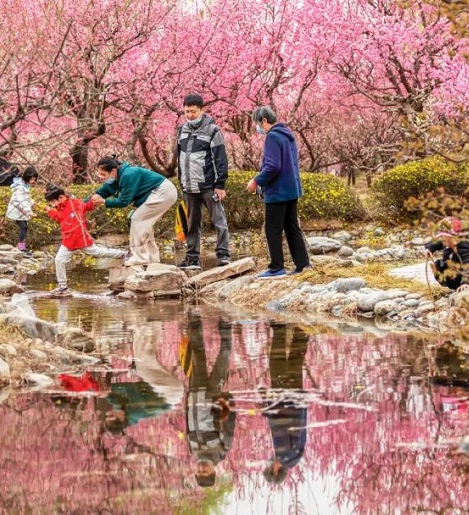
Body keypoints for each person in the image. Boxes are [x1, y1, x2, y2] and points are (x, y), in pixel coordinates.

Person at [246, 106, 311, 279]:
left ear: (264, 121)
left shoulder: (273, 137)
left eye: (257, 123)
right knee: (291, 227)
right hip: (291, 189)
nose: (257, 127)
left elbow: (273, 166)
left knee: (272, 229)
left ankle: (276, 268)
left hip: (278, 191)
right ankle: (303, 264)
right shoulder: (287, 135)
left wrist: (256, 181)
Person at [180, 311, 236, 488]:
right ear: (213, 471)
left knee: (197, 352)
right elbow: (228, 422)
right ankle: (225, 323)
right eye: (205, 472)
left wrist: (187, 401)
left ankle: (194, 318)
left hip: (195, 394)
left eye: (199, 472)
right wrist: (228, 400)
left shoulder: (193, 450)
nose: (201, 468)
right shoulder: (222, 449)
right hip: (213, 395)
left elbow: (188, 424)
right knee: (225, 354)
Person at [176, 94, 231, 270]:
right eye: (186, 112)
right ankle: (192, 258)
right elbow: (180, 158)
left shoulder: (212, 130)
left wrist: (220, 184)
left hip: (208, 186)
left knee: (219, 221)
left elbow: (220, 158)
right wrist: (181, 181)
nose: (189, 115)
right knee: (192, 224)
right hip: (189, 186)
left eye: (193, 111)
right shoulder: (182, 130)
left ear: (202, 110)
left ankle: (223, 255)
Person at [90, 157, 178, 267]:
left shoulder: (128, 174)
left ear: (113, 171)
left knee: (137, 219)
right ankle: (152, 258)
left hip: (163, 192)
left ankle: (140, 258)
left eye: (103, 174)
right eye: (100, 175)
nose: (101, 178)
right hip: (156, 193)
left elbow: (124, 201)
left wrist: (103, 201)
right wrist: (80, 205)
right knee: (144, 224)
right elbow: (97, 194)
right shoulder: (112, 181)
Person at [44, 185, 126, 297]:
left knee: (98, 252)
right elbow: (59, 217)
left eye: (53, 202)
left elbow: (86, 206)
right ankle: (63, 287)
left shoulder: (74, 203)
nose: (53, 205)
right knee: (59, 260)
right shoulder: (60, 208)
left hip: (80, 238)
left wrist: (94, 201)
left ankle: (123, 254)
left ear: (61, 197)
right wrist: (50, 211)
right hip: (68, 241)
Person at [262, 323, 309, 484]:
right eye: (268, 467)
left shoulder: (296, 457)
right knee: (277, 362)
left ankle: (302, 329)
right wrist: (267, 405)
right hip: (285, 401)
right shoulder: (283, 454)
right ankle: (280, 327)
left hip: (297, 402)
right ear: (275, 470)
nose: (267, 463)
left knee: (295, 363)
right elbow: (279, 425)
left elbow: (301, 428)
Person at [425, 216, 469, 291]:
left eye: (445, 237)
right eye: (441, 237)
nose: (442, 239)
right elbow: (439, 243)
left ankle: (463, 285)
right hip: (449, 271)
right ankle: (448, 282)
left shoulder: (464, 247)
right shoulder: (446, 243)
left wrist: (465, 282)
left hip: (463, 273)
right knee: (438, 264)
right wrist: (430, 249)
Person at [5, 166, 38, 255]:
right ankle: (21, 248)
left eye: (34, 179)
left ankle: (22, 247)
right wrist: (29, 212)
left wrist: (32, 202)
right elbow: (21, 201)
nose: (33, 181)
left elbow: (26, 198)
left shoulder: (24, 185)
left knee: (25, 227)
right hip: (17, 211)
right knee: (23, 227)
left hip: (20, 211)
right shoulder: (20, 187)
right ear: (27, 177)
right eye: (32, 179)